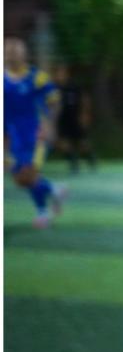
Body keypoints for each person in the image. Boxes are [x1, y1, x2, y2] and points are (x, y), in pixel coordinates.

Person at [4, 37, 67, 228]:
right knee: (19, 179)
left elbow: (55, 101)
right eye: (8, 51)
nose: (11, 55)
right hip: (11, 137)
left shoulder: (37, 77)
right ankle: (55, 190)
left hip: (35, 134)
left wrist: (50, 125)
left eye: (15, 52)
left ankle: (43, 212)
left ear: (24, 54)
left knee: (29, 173)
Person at [52, 64, 97, 174]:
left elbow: (85, 99)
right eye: (58, 73)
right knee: (62, 143)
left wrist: (85, 114)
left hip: (76, 117)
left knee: (83, 143)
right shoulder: (53, 88)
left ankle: (90, 158)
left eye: (62, 73)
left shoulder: (74, 86)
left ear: (66, 74)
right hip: (62, 119)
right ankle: (73, 163)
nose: (59, 75)